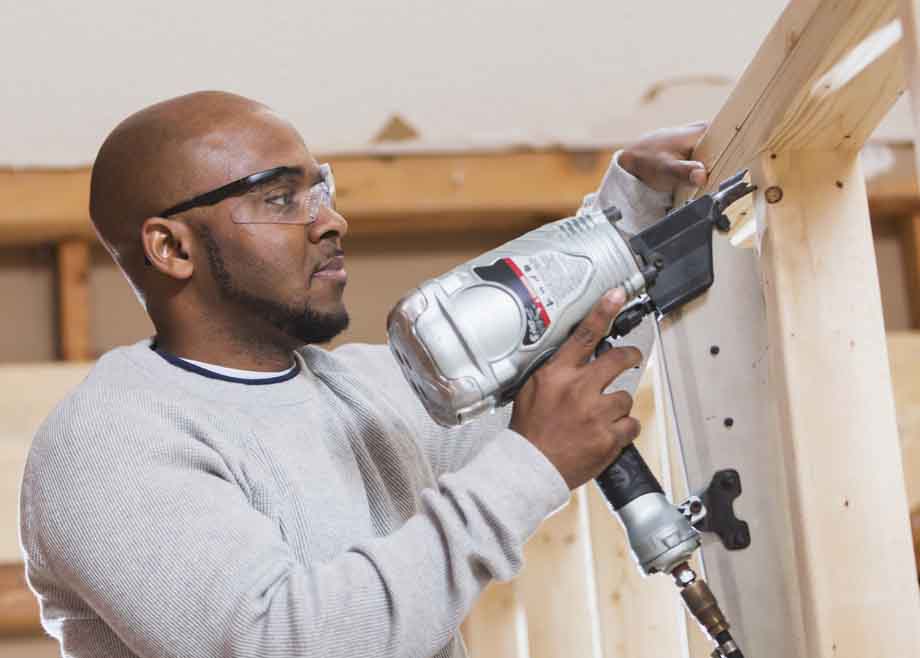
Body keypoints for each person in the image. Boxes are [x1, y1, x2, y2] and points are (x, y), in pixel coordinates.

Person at [19, 91, 708, 658]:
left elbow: (581, 386)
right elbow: (287, 643)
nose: (331, 220)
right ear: (171, 247)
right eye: (280, 199)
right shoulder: (109, 443)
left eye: (322, 189)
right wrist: (529, 465)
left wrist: (632, 210)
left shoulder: (368, 393)